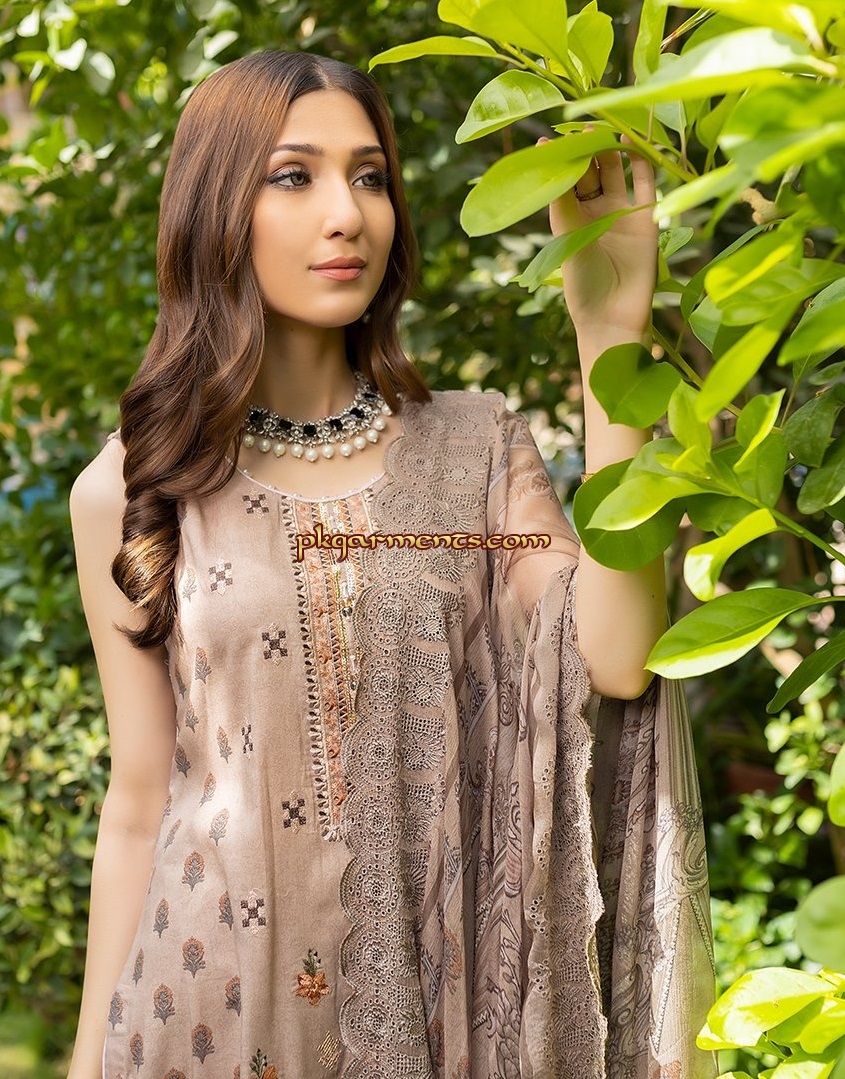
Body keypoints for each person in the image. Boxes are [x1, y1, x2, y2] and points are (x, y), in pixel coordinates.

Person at [67, 50, 714, 1079]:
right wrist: (85, 1058)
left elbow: (616, 656)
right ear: (213, 208)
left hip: (437, 1018)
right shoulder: (136, 485)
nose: (347, 214)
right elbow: (140, 799)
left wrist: (606, 339)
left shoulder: (475, 447)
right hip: (204, 1014)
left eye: (369, 177)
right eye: (294, 176)